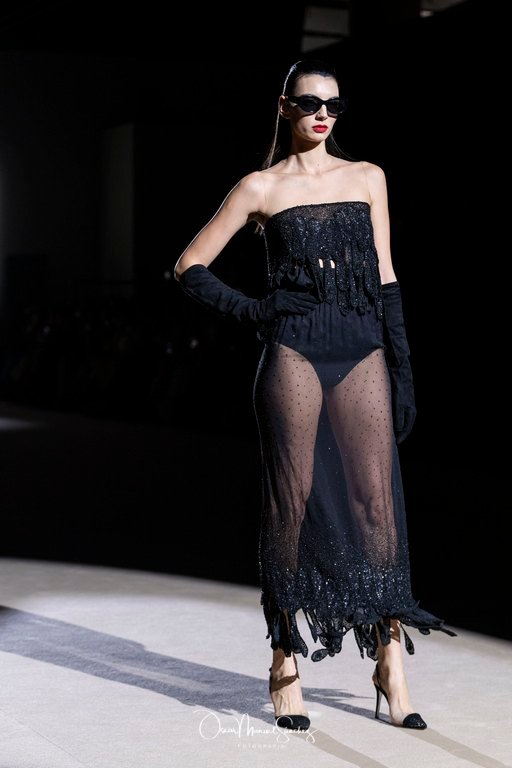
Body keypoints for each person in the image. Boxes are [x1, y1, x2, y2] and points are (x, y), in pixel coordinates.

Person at [173, 58, 455, 732]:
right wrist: (258, 310)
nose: (322, 114)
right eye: (309, 103)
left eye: (333, 104)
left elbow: (387, 277)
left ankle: (390, 663)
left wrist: (403, 367)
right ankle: (285, 662)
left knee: (377, 506)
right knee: (290, 506)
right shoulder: (261, 186)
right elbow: (189, 266)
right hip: (294, 351)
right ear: (285, 107)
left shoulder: (367, 177)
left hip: (361, 349)